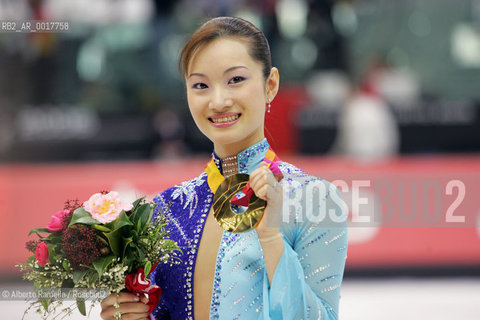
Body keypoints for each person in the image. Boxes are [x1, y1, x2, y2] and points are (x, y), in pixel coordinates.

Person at [100, 16, 348, 320]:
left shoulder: (315, 199)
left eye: (236, 80)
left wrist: (270, 237)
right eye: (201, 85)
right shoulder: (166, 209)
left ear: (270, 84)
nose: (218, 101)